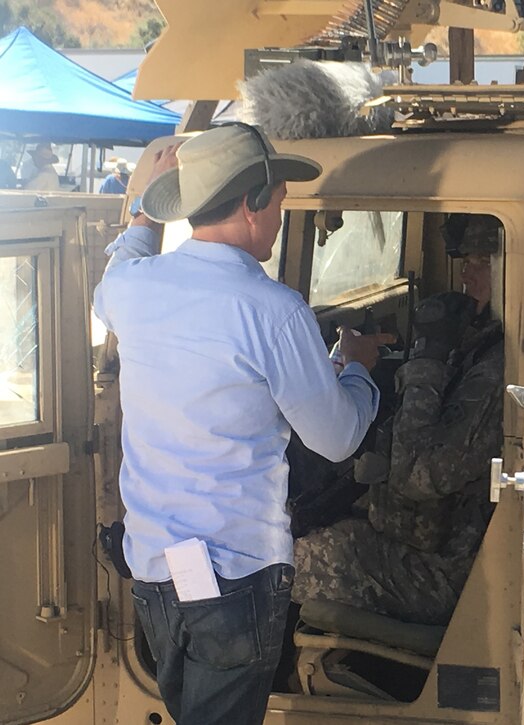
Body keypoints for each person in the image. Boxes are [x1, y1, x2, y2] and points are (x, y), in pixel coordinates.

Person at [92, 125, 388, 725]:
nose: (282, 214)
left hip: (154, 571)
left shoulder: (131, 290)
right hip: (234, 584)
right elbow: (337, 438)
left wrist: (145, 212)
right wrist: (358, 371)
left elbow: (121, 264)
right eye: (279, 199)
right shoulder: (275, 311)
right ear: (252, 203)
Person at [293, 214, 504, 626]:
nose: (467, 271)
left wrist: (426, 359)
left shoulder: (497, 370)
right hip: (426, 534)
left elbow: (417, 476)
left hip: (447, 573)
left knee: (280, 564)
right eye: (467, 259)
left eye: (483, 261)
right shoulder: (486, 344)